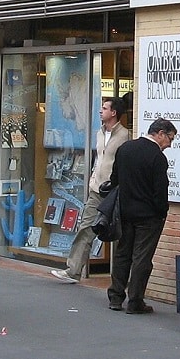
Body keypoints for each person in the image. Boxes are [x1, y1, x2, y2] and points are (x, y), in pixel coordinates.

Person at [52, 95, 130, 283]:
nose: (100, 111)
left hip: (115, 191)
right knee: (86, 227)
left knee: (121, 233)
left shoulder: (125, 136)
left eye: (104, 108)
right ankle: (73, 270)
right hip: (97, 189)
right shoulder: (100, 133)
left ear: (114, 113)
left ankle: (121, 279)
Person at [107, 117, 177, 314]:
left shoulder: (125, 149)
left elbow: (115, 180)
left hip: (125, 212)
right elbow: (160, 190)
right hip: (148, 216)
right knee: (141, 258)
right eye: (169, 139)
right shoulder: (157, 157)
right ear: (160, 133)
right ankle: (135, 300)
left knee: (123, 254)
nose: (169, 144)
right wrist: (162, 212)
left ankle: (115, 296)